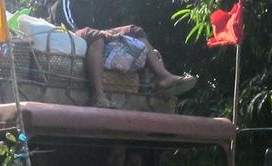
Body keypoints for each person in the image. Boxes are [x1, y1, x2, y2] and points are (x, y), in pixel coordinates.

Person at [48, 0, 197, 108]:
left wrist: (109, 33)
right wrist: (103, 34)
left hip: (94, 33)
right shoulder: (63, 3)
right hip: (69, 34)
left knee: (134, 31)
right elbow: (68, 26)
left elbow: (103, 25)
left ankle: (164, 77)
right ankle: (99, 96)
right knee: (96, 37)